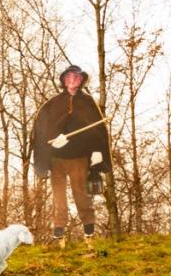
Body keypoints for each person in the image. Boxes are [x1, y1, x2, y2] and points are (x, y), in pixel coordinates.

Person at [32, 64, 112, 249]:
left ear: (81, 80)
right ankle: (59, 237)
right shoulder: (53, 103)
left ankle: (89, 236)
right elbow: (43, 129)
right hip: (57, 160)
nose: (72, 80)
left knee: (81, 196)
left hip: (79, 158)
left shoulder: (88, 103)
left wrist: (98, 152)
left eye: (76, 77)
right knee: (59, 200)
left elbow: (96, 130)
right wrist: (53, 140)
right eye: (68, 77)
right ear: (63, 80)